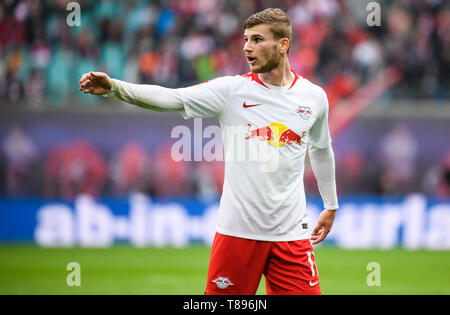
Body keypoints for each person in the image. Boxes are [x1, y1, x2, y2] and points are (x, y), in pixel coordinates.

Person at [79, 8, 338, 295]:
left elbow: (321, 148)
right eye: (245, 40)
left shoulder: (313, 97)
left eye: (256, 40)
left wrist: (331, 204)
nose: (246, 48)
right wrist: (115, 87)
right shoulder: (232, 91)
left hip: (292, 236)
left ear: (283, 44)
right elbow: (173, 98)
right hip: (237, 234)